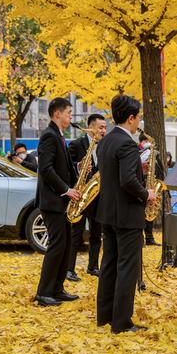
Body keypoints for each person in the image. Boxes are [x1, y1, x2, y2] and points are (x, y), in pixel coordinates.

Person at [96, 95, 156, 334]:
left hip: (107, 212)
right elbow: (128, 181)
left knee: (109, 264)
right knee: (127, 267)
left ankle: (105, 316)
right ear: (131, 118)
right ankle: (122, 322)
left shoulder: (106, 141)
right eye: (138, 116)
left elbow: (114, 174)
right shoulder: (128, 144)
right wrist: (147, 194)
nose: (139, 120)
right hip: (127, 215)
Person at [35, 98, 80, 307]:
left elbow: (61, 167)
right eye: (69, 113)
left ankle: (57, 288)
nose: (71, 116)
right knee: (57, 245)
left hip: (61, 202)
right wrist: (66, 190)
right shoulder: (49, 136)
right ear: (57, 114)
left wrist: (78, 170)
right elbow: (45, 169)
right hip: (53, 201)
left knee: (66, 244)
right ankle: (44, 292)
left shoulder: (58, 136)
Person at [66, 114, 107, 281]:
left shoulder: (104, 146)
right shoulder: (76, 144)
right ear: (90, 127)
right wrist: (79, 166)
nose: (104, 131)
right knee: (76, 234)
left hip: (98, 195)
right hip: (81, 195)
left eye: (105, 128)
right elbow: (67, 167)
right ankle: (69, 269)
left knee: (97, 234)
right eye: (100, 127)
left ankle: (93, 267)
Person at [137, 131, 163, 246]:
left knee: (151, 211)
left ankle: (149, 237)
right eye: (145, 141)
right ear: (141, 142)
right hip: (142, 186)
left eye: (148, 141)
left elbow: (160, 169)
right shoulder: (137, 153)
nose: (147, 143)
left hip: (153, 185)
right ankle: (141, 238)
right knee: (141, 213)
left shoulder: (155, 154)